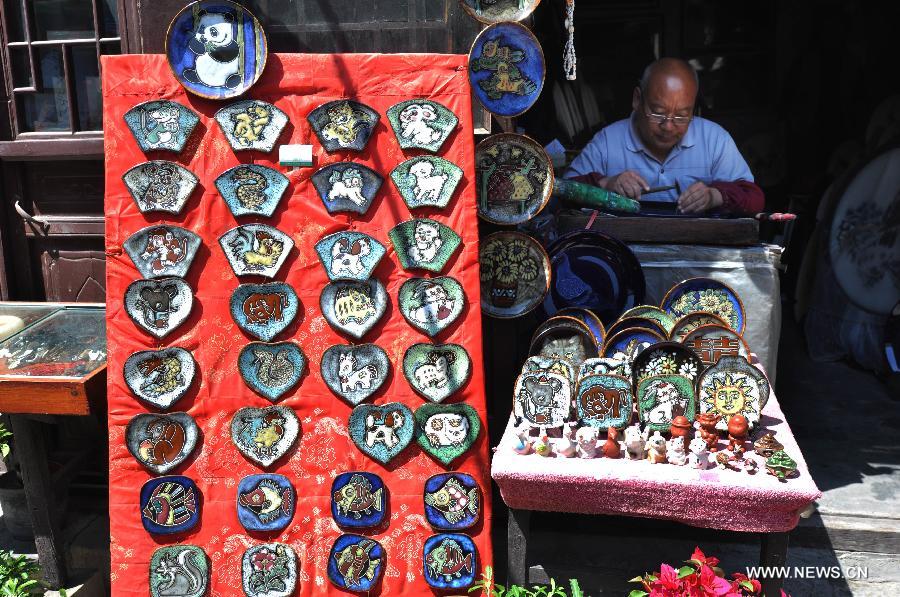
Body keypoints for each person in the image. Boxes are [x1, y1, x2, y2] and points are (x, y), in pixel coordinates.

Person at [565, 58, 764, 215]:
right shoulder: (608, 141)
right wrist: (605, 183)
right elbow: (560, 193)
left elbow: (754, 198)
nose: (668, 126)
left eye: (681, 115)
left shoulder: (714, 139)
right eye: (658, 112)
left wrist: (715, 195)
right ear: (637, 100)